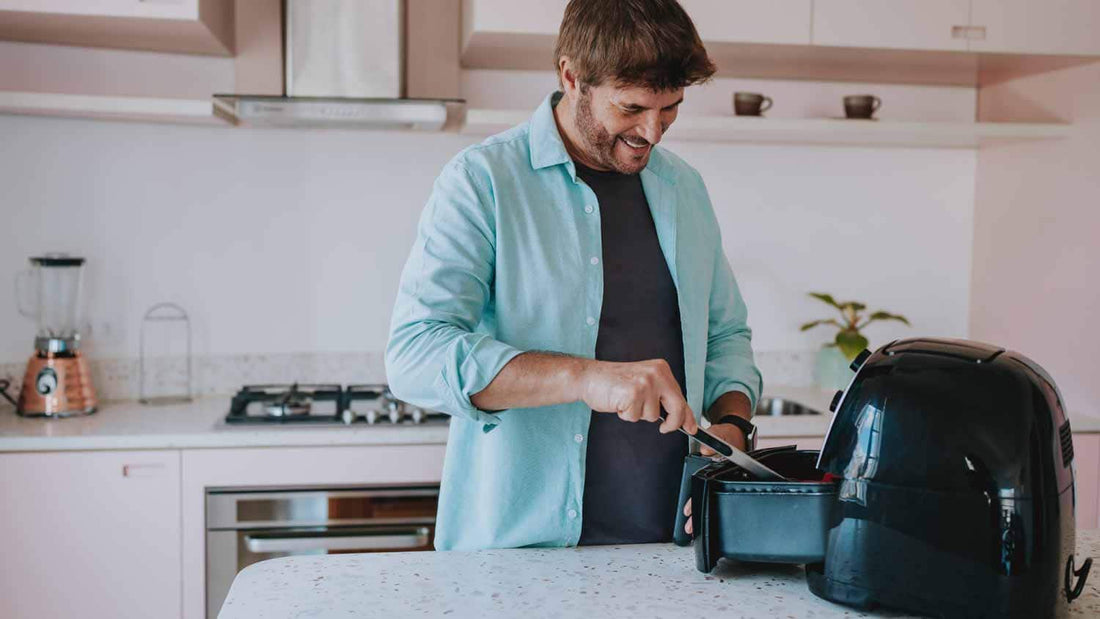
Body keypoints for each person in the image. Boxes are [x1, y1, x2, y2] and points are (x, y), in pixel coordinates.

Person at [386, 0, 762, 551]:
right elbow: (415, 355)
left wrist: (731, 426)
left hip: (672, 552)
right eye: (632, 107)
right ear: (571, 76)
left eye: (671, 108)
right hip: (520, 558)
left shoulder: (684, 188)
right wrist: (585, 378)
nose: (653, 133)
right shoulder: (484, 180)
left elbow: (726, 335)